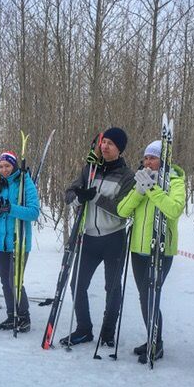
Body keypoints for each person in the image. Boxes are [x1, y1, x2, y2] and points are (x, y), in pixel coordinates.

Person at [60, 128, 136, 347]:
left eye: (111, 143)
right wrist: (79, 197)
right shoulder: (89, 170)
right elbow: (68, 195)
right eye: (103, 142)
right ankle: (84, 329)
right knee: (77, 283)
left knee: (111, 287)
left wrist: (96, 198)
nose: (104, 146)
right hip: (89, 237)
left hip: (114, 238)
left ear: (119, 149)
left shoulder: (126, 175)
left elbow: (123, 210)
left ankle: (108, 331)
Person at [117, 140, 186, 362]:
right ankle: (152, 338)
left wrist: (153, 189)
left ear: (163, 160)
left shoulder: (175, 181)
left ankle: (156, 343)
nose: (148, 162)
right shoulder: (141, 179)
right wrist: (140, 190)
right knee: (144, 296)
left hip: (161, 249)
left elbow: (174, 209)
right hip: (139, 249)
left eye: (153, 158)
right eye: (146, 157)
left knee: (150, 296)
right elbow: (122, 210)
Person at [0, 151, 40, 332]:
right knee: (6, 282)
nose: (4, 169)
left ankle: (23, 316)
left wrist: (11, 208)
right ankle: (11, 315)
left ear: (13, 166)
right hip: (0, 242)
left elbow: (33, 212)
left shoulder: (24, 182)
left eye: (7, 166)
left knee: (15, 279)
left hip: (19, 240)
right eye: (1, 166)